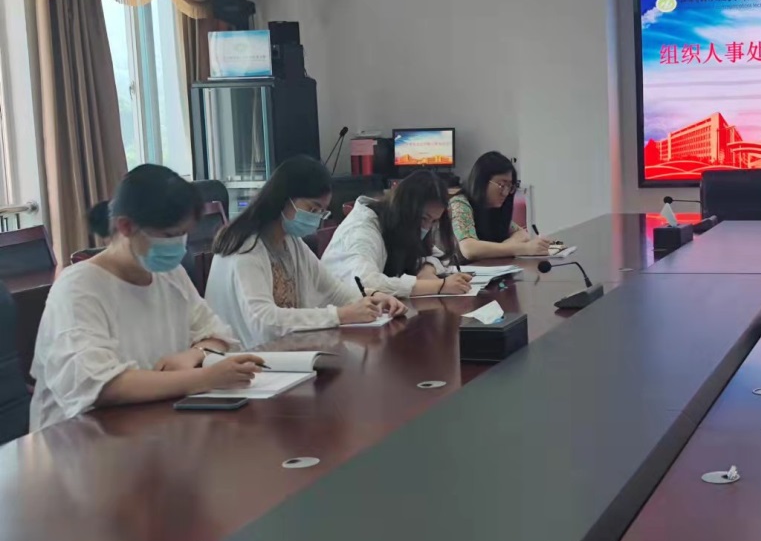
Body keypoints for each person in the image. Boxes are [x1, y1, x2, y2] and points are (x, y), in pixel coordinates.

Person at [29, 165, 263, 431]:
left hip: (154, 422)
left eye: (184, 233)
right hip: (79, 437)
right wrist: (205, 377)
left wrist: (194, 354)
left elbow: (219, 336)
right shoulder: (78, 288)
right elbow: (101, 386)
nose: (180, 245)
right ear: (126, 226)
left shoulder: (170, 274)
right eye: (169, 235)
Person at [205, 156, 406, 347]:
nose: (316, 218)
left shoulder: (291, 241)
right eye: (312, 209)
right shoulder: (245, 246)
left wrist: (372, 298)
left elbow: (333, 290)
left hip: (285, 353)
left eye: (321, 212)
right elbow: (264, 321)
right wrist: (339, 315)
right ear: (284, 198)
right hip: (245, 358)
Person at [321, 170, 474, 298]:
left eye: (433, 221)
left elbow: (440, 256)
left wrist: (427, 268)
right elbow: (365, 283)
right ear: (405, 210)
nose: (427, 227)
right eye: (423, 218)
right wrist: (438, 286)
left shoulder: (401, 225)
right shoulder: (362, 230)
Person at [449, 151, 552, 260]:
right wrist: (524, 249)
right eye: (501, 185)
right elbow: (469, 249)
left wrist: (502, 248)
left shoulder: (493, 208)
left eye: (509, 186)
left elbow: (522, 234)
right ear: (482, 181)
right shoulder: (460, 204)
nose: (505, 193)